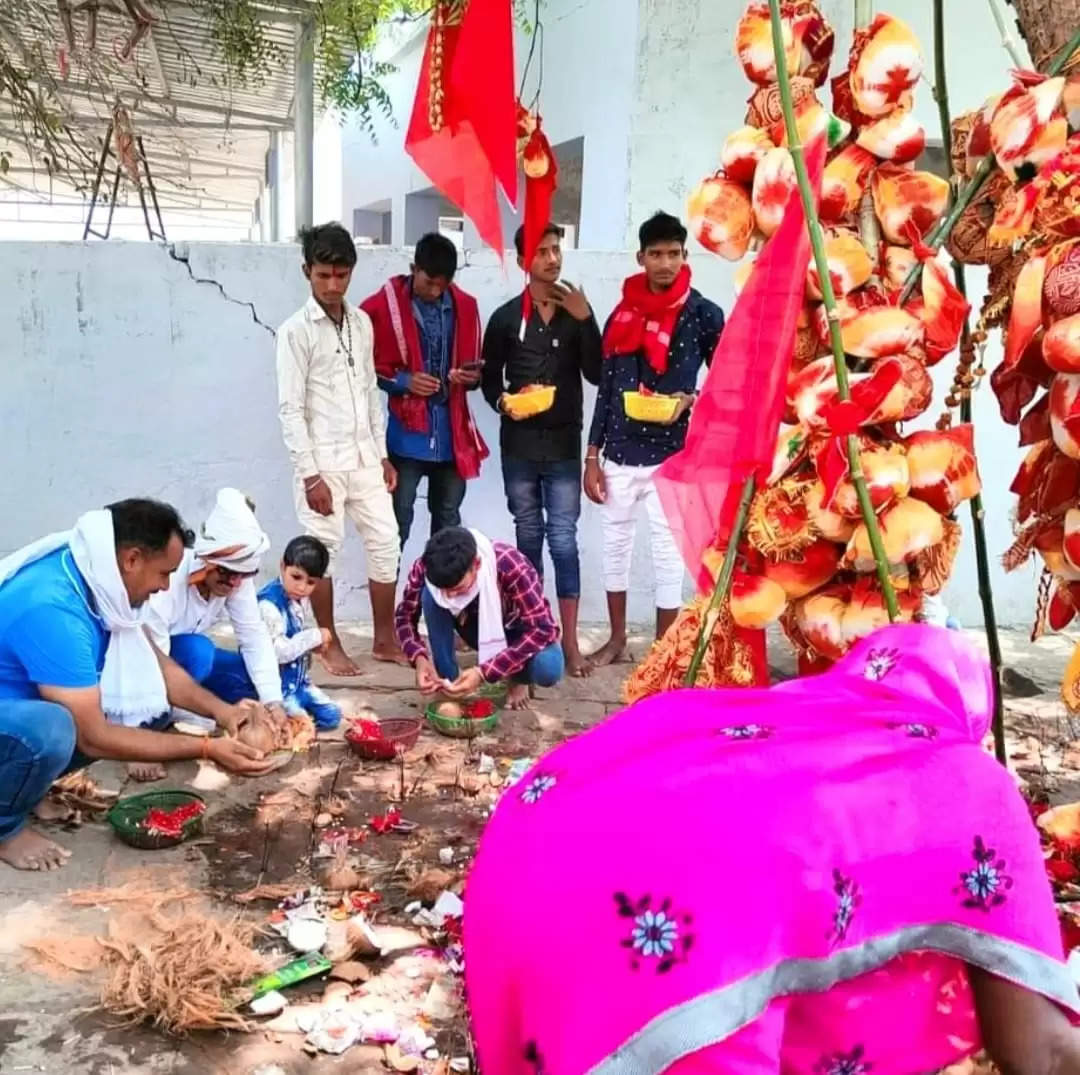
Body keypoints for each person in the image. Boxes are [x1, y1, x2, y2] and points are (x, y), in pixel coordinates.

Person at [464, 624, 1080, 1074]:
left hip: (530, 858)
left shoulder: (796, 720)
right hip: (677, 937)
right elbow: (1042, 1051)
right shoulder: (966, 778)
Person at [0, 499, 272, 872]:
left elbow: (159, 667)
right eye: (164, 574)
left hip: (15, 706)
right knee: (58, 728)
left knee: (96, 712)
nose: (165, 587)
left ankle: (26, 789)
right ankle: (6, 829)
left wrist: (222, 712)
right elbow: (93, 737)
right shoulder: (55, 608)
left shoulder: (102, 581)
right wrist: (208, 747)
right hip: (17, 717)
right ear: (132, 559)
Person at [584, 211, 725, 668]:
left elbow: (726, 381)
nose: (665, 263)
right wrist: (592, 455)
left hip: (674, 454)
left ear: (685, 256)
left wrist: (693, 399)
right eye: (656, 254)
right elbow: (607, 389)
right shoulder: (622, 313)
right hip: (620, 451)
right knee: (615, 546)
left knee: (669, 552)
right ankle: (618, 639)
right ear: (640, 257)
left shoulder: (703, 314)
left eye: (673, 254)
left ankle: (665, 650)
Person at [277, 221, 404, 674]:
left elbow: (370, 392)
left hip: (365, 457)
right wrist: (310, 475)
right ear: (306, 272)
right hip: (322, 463)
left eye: (341, 275)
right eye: (323, 275)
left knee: (387, 541)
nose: (333, 285)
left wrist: (383, 454)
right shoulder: (295, 332)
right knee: (322, 554)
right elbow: (290, 409)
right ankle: (327, 644)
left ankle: (385, 639)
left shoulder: (362, 323)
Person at [481, 223, 602, 679]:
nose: (552, 258)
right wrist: (504, 403)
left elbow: (596, 373)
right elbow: (492, 379)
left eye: (556, 250)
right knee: (528, 538)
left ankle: (569, 643)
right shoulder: (507, 318)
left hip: (565, 446)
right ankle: (536, 634)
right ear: (522, 262)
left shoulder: (576, 314)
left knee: (564, 540)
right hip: (520, 447)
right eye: (542, 252)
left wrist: (587, 318)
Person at [362, 231, 488, 547]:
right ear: (413, 268)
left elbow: (477, 369)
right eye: (428, 281)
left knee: (447, 526)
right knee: (396, 525)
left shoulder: (466, 308)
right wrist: (405, 382)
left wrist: (468, 378)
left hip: (452, 435)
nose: (434, 291)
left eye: (441, 284)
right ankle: (388, 595)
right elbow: (362, 370)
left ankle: (439, 595)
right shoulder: (381, 308)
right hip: (407, 438)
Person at [142, 488, 287, 754]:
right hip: (151, 662)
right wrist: (140, 741)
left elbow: (253, 636)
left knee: (254, 682)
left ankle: (198, 703)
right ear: (207, 561)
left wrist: (274, 702)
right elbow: (151, 660)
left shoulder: (236, 579)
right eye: (226, 572)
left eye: (241, 576)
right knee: (199, 651)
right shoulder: (168, 579)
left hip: (187, 666)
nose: (233, 583)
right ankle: (167, 715)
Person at [395, 526, 563, 711]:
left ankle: (518, 677)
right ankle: (447, 681)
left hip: (514, 630)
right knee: (430, 595)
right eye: (444, 590)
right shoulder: (426, 566)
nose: (450, 597)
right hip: (471, 627)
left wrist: (483, 672)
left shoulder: (510, 564)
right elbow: (404, 616)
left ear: (476, 564)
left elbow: (543, 629)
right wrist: (419, 658)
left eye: (458, 589)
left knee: (548, 667)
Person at [256, 536, 343, 731]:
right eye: (296, 577)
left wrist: (313, 646)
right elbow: (278, 652)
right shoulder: (269, 605)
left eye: (310, 582)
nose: (302, 587)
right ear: (282, 567)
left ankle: (299, 716)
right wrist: (314, 636)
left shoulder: (297, 597)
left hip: (298, 684)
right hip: (278, 689)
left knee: (332, 716)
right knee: (301, 727)